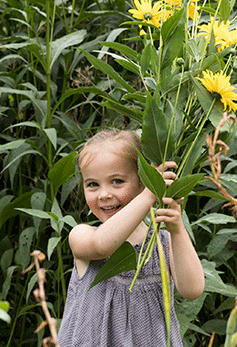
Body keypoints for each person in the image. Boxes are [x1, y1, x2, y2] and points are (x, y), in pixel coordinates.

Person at [58, 129, 204, 347]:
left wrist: (177, 229)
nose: (104, 194)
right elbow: (102, 246)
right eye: (92, 184)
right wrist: (150, 194)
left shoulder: (162, 243)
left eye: (117, 181)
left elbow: (192, 290)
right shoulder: (82, 235)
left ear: (141, 181)